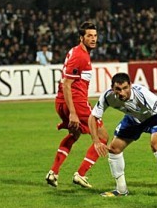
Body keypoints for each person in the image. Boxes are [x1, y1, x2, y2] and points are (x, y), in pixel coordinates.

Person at [88, 73, 157, 198]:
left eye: (125, 88)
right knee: (114, 149)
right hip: (133, 118)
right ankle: (121, 190)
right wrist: (96, 141)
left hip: (154, 117)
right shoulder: (107, 97)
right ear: (112, 88)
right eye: (118, 89)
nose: (122, 93)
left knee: (156, 144)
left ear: (130, 85)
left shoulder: (143, 94)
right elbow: (93, 117)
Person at [45, 21, 109, 188]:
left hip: (62, 101)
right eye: (89, 36)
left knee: (75, 134)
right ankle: (80, 174)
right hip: (76, 102)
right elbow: (67, 83)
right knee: (102, 136)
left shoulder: (76, 51)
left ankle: (54, 172)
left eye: (95, 36)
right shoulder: (80, 56)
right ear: (81, 37)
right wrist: (73, 112)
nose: (93, 39)